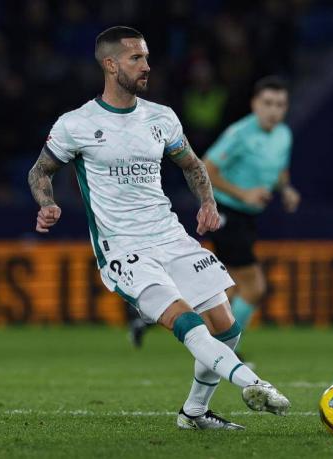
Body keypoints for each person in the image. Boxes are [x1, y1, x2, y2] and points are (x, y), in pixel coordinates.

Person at [27, 26, 290, 430]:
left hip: (170, 236)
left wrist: (207, 202)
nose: (146, 66)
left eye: (147, 57)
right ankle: (253, 384)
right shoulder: (76, 124)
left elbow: (192, 164)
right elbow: (40, 171)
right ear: (110, 64)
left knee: (226, 327)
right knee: (187, 322)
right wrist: (47, 203)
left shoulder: (161, 117)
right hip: (123, 249)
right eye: (136, 59)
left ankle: (195, 414)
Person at [203, 76, 300, 344]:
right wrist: (243, 193)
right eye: (267, 103)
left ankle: (212, 349)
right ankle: (226, 352)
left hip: (248, 217)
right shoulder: (239, 134)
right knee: (254, 288)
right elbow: (205, 169)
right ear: (254, 104)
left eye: (280, 104)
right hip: (226, 213)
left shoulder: (284, 135)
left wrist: (286, 189)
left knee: (230, 290)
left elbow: (279, 169)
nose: (274, 110)